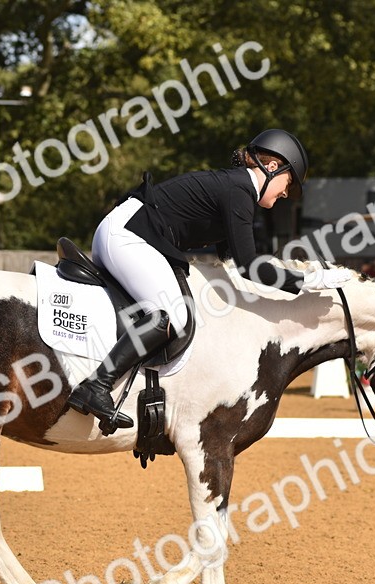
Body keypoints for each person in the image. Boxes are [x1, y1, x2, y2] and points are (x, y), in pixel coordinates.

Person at [67, 129, 352, 432]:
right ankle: (96, 386)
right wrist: (310, 278)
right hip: (129, 235)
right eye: (288, 182)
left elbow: (231, 258)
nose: (285, 192)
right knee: (173, 315)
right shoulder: (239, 190)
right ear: (272, 168)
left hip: (127, 231)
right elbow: (251, 267)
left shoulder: (237, 191)